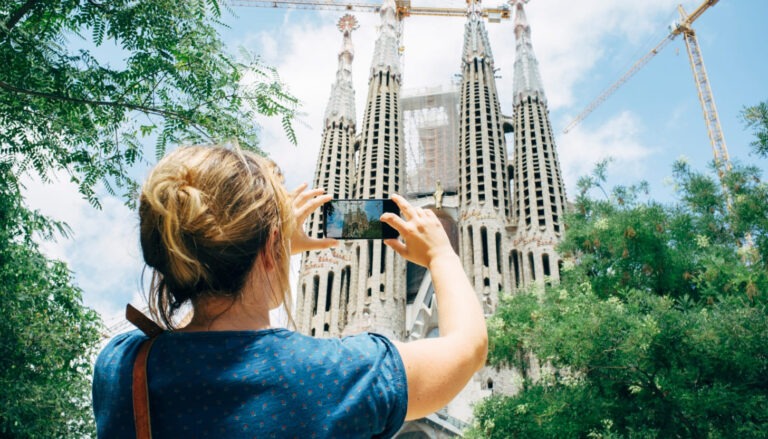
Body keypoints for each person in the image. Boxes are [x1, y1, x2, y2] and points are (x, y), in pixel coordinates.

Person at [92, 145, 487, 438]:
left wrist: (267, 248)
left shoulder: (122, 365)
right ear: (270, 248)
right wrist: (442, 254)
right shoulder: (334, 375)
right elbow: (467, 349)